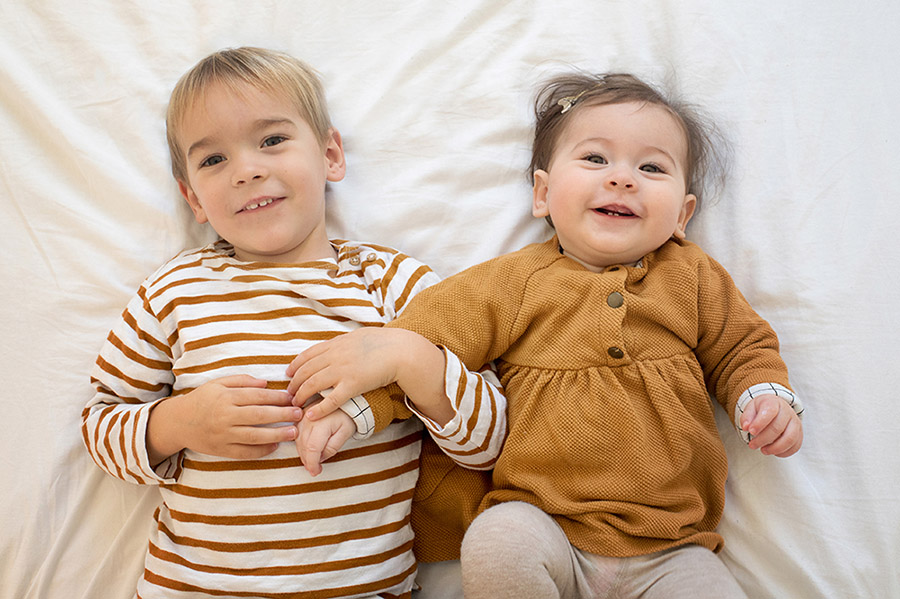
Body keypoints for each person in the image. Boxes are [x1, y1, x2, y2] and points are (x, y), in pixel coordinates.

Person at [286, 72, 805, 598]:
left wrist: (762, 395)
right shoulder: (513, 281)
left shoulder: (694, 277)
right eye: (595, 159)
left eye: (651, 167)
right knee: (497, 543)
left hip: (672, 545)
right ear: (543, 193)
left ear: (682, 216)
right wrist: (360, 409)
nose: (623, 179)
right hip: (543, 520)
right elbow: (424, 341)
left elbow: (742, 345)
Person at [81, 47, 504, 599]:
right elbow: (99, 423)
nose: (247, 170)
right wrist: (176, 424)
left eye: (272, 141)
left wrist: (410, 359)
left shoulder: (392, 284)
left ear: (330, 156)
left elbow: (493, 441)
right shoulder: (174, 291)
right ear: (193, 199)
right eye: (213, 161)